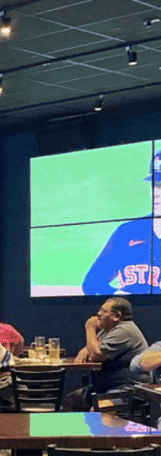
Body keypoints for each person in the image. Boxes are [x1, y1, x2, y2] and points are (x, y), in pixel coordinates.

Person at [81, 153, 161, 296]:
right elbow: (91, 282)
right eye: (154, 185)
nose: (156, 193)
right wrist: (118, 298)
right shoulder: (128, 232)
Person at [63, 296, 149, 410]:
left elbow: (95, 355)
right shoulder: (108, 330)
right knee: (72, 400)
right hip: (107, 386)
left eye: (104, 311)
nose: (98, 314)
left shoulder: (124, 330)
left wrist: (90, 328)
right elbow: (93, 346)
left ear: (116, 316)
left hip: (129, 389)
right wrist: (84, 351)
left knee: (99, 409)